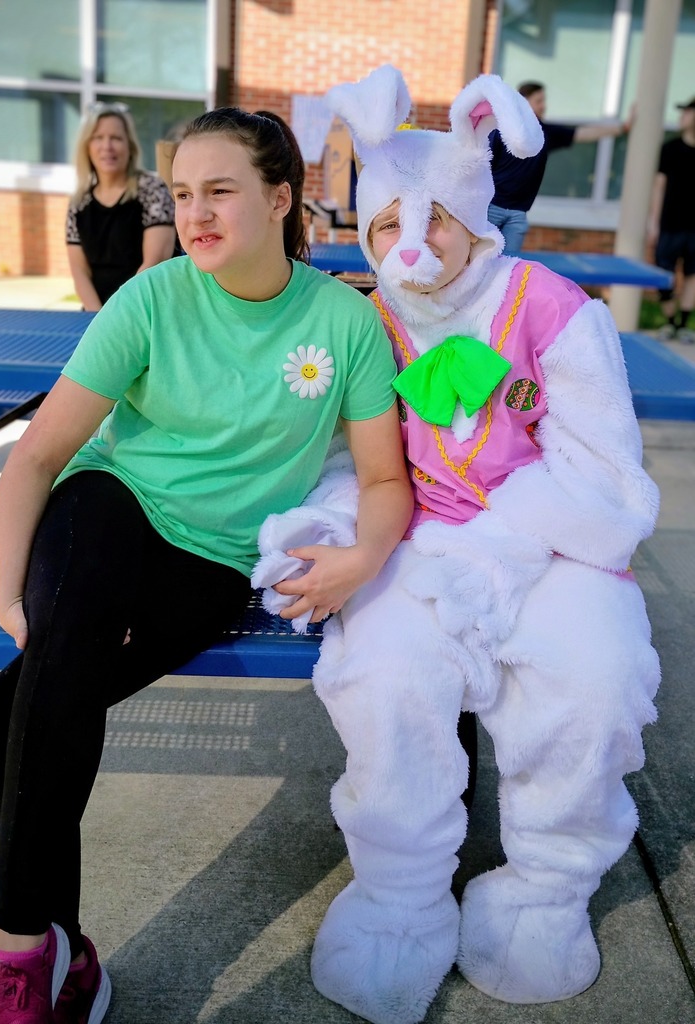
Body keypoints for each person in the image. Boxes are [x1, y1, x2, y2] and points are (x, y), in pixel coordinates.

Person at [0, 106, 412, 1024]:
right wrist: (12, 595)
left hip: (214, 561)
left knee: (6, 712)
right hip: (107, 508)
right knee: (51, 645)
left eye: (221, 191)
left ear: (281, 197)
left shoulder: (343, 322)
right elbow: (40, 457)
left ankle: (70, 959)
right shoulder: (152, 297)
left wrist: (363, 555)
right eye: (182, 194)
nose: (197, 213)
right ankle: (20, 963)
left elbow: (381, 475)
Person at [255, 65, 660, 1024]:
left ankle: (544, 890)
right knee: (386, 681)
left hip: (549, 542)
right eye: (389, 223)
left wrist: (504, 543)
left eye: (433, 219)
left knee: (593, 679)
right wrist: (332, 528)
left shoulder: (551, 307)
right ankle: (398, 897)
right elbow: (334, 458)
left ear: (475, 218)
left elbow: (603, 478)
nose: (410, 243)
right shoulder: (359, 319)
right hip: (412, 538)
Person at [488, 80, 633, 254]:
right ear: (524, 102)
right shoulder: (503, 129)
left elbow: (582, 134)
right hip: (492, 207)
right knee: (480, 262)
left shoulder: (545, 132)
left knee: (507, 268)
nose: (544, 106)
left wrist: (621, 128)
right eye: (539, 101)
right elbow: (481, 164)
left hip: (518, 213)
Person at [65, 102, 177, 311]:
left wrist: (117, 318)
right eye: (98, 138)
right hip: (94, 316)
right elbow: (79, 271)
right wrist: (97, 317)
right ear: (87, 146)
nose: (107, 146)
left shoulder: (152, 190)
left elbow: (154, 261)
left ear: (130, 146)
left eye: (116, 138)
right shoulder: (78, 202)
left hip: (144, 311)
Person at [647, 96, 695, 343]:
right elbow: (659, 186)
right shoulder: (670, 149)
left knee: (691, 275)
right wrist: (654, 223)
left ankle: (685, 324)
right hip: (670, 224)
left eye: (686, 112)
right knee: (664, 273)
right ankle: (669, 322)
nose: (682, 117)